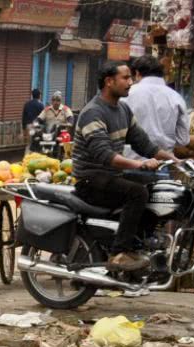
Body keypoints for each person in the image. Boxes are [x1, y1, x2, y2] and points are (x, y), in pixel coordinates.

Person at [72, 61, 177, 273]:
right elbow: (104, 155)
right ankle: (119, 254)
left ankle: (140, 244)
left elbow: (144, 144)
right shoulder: (93, 112)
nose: (130, 82)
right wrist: (139, 163)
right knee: (137, 193)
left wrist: (175, 160)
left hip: (111, 176)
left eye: (130, 77)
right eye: (125, 78)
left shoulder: (123, 110)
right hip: (90, 179)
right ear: (109, 82)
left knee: (156, 186)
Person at [125, 55, 189, 158]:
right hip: (164, 163)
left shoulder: (127, 94)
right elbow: (183, 140)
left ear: (137, 73)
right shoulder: (176, 97)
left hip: (131, 161)